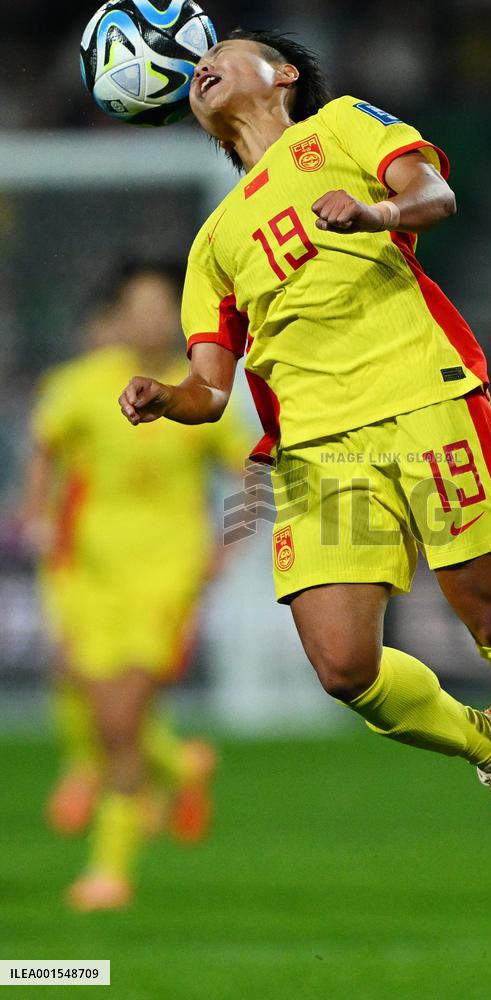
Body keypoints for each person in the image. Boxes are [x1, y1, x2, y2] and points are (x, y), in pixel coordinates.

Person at [118, 30, 491, 910]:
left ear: (281, 75)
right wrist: (164, 396)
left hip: (420, 396)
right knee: (346, 667)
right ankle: (488, 746)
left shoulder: (344, 126)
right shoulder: (212, 245)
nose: (204, 62)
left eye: (228, 49)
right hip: (317, 450)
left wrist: (378, 214)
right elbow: (209, 389)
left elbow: (435, 193)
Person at [26, 261, 250, 911]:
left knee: (121, 720)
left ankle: (110, 870)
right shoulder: (77, 386)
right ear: (119, 316)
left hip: (166, 577)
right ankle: (180, 770)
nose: (153, 317)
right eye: (141, 305)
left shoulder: (201, 389)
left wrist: (227, 546)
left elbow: (252, 472)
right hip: (89, 574)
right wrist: (38, 516)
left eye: (164, 305)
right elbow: (45, 451)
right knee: (101, 717)